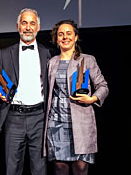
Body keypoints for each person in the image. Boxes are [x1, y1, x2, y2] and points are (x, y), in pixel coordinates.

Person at [43, 20, 109, 175]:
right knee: (60, 168)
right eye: (61, 34)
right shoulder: (51, 63)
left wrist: (92, 99)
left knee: (80, 168)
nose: (65, 37)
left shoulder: (87, 60)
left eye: (68, 33)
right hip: (57, 123)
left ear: (75, 37)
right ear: (56, 39)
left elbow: (103, 86)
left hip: (80, 122)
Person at [0, 8, 51, 175]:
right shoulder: (4, 53)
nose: (28, 27)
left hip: (39, 118)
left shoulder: (48, 53)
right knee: (12, 169)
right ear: (18, 26)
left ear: (38, 27)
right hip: (14, 117)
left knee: (39, 169)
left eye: (32, 23)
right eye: (24, 23)